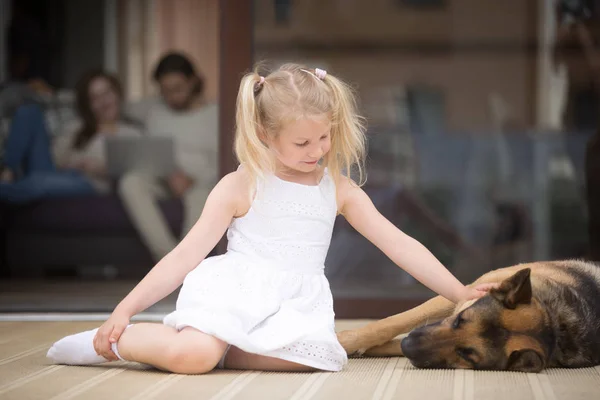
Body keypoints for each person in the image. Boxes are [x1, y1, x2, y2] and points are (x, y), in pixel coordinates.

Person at [46, 63, 496, 374]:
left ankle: (225, 349)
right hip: (238, 294)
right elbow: (183, 257)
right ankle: (112, 342)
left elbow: (399, 244)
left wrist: (459, 293)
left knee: (319, 356)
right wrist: (124, 310)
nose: (317, 151)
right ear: (265, 135)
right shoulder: (242, 184)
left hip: (293, 303)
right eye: (302, 143)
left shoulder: (337, 187)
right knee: (195, 357)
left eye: (324, 137)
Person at [118, 52, 218, 261]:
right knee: (130, 182)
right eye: (165, 91)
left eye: (178, 89)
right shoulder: (154, 110)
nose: (172, 97)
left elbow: (225, 162)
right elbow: (117, 108)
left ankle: (187, 260)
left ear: (193, 82)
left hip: (201, 183)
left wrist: (194, 179)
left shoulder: (216, 114)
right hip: (162, 177)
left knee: (202, 196)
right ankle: (168, 258)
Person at [0, 70, 141, 203]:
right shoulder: (78, 126)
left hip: (90, 182)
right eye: (95, 98)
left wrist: (100, 168)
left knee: (38, 181)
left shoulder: (131, 132)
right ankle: (7, 171)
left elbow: (135, 173)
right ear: (89, 105)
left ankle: (10, 188)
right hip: (58, 172)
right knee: (28, 112)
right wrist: (74, 162)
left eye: (107, 93)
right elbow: (56, 158)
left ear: (117, 94)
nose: (104, 102)